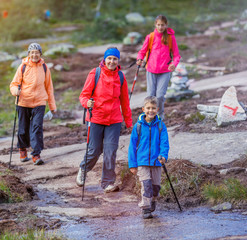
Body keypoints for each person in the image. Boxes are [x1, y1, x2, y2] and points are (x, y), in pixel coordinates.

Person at [76, 47, 133, 193]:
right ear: (104, 59)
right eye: (109, 58)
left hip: (114, 120)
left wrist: (129, 122)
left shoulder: (120, 77)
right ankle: (83, 168)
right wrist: (86, 102)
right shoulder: (95, 73)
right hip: (95, 118)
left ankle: (108, 182)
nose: (112, 61)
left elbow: (125, 102)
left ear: (118, 60)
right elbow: (84, 95)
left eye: (115, 59)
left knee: (110, 151)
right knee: (94, 150)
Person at [10, 43, 56, 165]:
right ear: (29, 54)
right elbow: (14, 84)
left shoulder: (45, 67)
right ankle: (22, 149)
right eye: (32, 53)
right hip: (23, 102)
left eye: (37, 52)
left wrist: (52, 106)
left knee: (37, 128)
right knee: (23, 128)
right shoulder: (22, 67)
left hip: (40, 102)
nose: (34, 55)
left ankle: (36, 154)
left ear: (40, 54)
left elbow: (49, 88)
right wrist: (16, 91)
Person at [128, 96, 169, 219]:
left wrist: (163, 155)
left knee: (155, 187)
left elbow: (164, 143)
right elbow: (132, 146)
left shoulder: (161, 126)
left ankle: (153, 201)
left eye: (153, 108)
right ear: (143, 109)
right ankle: (145, 207)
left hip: (156, 162)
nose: (151, 110)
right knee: (146, 185)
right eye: (148, 108)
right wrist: (132, 164)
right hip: (142, 162)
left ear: (157, 109)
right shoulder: (138, 126)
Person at [136, 15, 181, 120]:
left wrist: (174, 63)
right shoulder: (150, 36)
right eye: (158, 25)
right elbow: (142, 51)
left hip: (165, 71)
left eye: (163, 25)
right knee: (150, 95)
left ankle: (159, 115)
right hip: (151, 70)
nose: (160, 27)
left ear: (166, 25)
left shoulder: (170, 37)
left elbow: (176, 55)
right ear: (155, 25)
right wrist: (139, 58)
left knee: (160, 96)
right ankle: (148, 116)